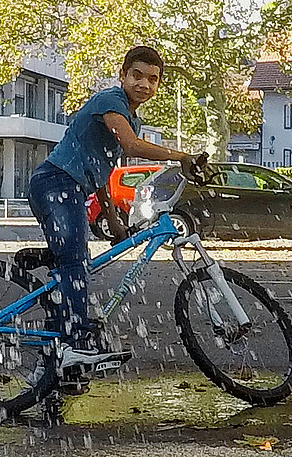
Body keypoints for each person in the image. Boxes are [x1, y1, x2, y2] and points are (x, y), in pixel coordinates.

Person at [27, 45, 203, 373]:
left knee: (73, 264)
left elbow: (103, 173)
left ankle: (51, 364)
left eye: (152, 79)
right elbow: (130, 146)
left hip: (70, 190)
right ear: (122, 76)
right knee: (75, 261)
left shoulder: (131, 118)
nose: (144, 84)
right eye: (136, 75)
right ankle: (73, 345)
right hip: (54, 183)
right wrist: (182, 157)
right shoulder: (111, 101)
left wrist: (113, 220)